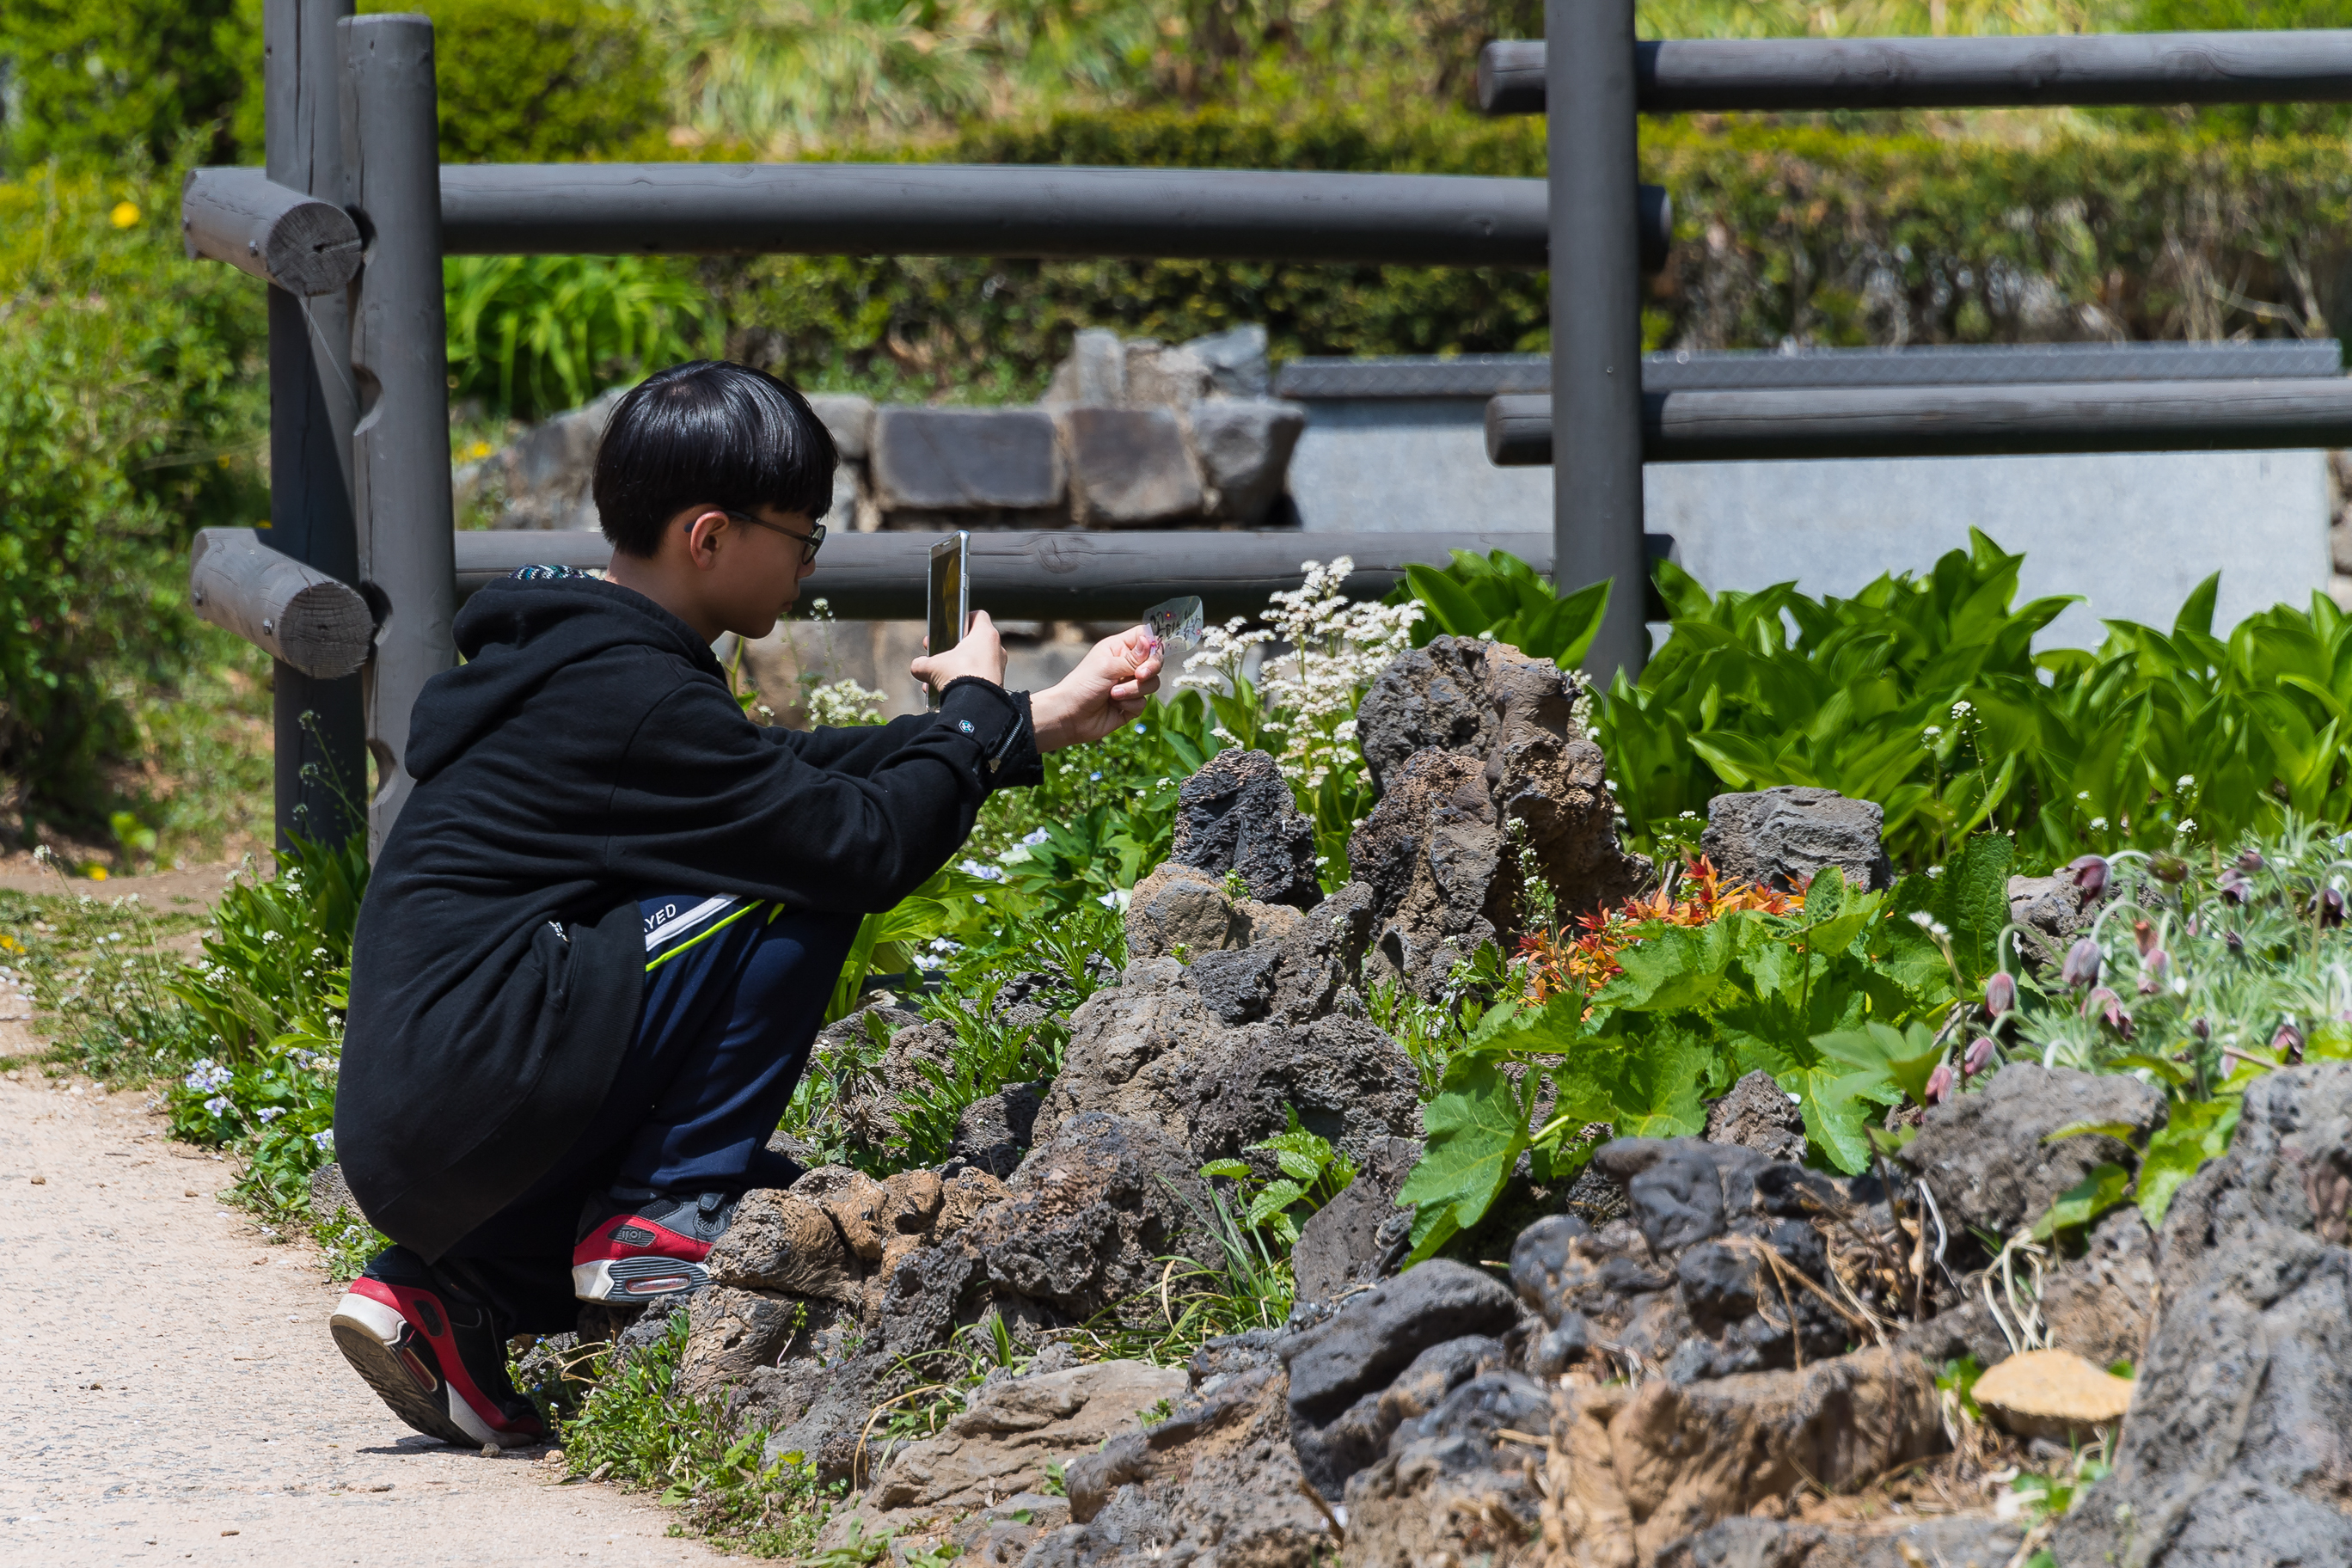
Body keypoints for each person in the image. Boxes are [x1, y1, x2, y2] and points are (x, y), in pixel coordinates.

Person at [325, 360, 1161, 1449]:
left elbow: (784, 770)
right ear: (710, 537)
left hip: (434, 1121)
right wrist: (966, 713)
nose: (810, 564)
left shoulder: (582, 662)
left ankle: (448, 1296)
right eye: (801, 535)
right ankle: (657, 1226)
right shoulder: (633, 696)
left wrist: (1028, 718)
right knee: (802, 872)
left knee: (769, 1149)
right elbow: (849, 844)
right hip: (481, 1083)